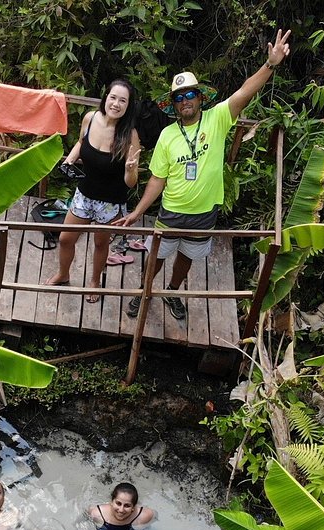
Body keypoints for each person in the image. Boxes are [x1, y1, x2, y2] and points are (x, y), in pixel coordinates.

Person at [117, 29, 291, 321]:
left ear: (200, 98)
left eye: (190, 95)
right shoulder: (167, 136)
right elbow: (158, 179)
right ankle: (143, 290)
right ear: (173, 105)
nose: (185, 100)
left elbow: (245, 91)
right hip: (171, 211)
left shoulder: (218, 117)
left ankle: (172, 291)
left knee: (188, 256)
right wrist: (138, 212)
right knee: (156, 255)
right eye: (179, 97)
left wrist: (270, 64)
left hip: (205, 212)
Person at [44, 79, 142, 303]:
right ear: (105, 98)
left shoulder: (130, 136)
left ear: (128, 106)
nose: (116, 104)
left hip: (109, 200)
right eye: (113, 97)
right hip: (85, 193)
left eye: (123, 100)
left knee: (100, 243)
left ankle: (95, 282)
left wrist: (130, 169)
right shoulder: (90, 119)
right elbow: (81, 142)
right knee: (66, 238)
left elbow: (130, 183)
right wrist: (70, 159)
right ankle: (63, 273)